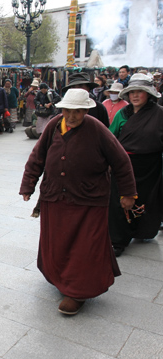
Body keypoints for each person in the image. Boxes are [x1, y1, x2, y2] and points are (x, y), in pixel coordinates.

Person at [20, 89, 136, 315]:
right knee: (58, 242)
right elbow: (37, 156)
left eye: (78, 112)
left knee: (85, 246)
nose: (72, 116)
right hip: (55, 196)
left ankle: (78, 291)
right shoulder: (54, 126)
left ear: (86, 111)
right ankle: (60, 278)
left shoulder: (96, 129)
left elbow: (121, 161)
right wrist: (28, 184)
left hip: (89, 199)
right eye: (67, 111)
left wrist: (128, 193)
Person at [108, 73, 163, 257]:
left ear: (149, 94)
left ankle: (140, 231)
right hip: (124, 165)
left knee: (145, 200)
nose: (135, 96)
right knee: (118, 201)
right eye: (132, 92)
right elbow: (111, 138)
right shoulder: (123, 113)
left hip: (150, 166)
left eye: (140, 92)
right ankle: (118, 240)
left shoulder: (159, 114)